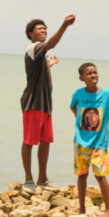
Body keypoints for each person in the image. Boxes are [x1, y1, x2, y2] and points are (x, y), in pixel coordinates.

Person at [20, 14, 76, 191]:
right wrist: (64, 25)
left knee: (45, 141)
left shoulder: (40, 56)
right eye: (39, 29)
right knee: (29, 141)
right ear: (31, 34)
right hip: (33, 103)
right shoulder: (34, 47)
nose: (44, 31)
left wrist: (49, 65)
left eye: (45, 28)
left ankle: (42, 179)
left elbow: (37, 73)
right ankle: (28, 179)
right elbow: (50, 44)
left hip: (45, 105)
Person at [69, 63, 109, 217]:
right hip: (80, 142)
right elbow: (73, 106)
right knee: (82, 175)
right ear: (81, 78)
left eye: (95, 72)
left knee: (101, 176)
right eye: (88, 73)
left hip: (99, 143)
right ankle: (81, 208)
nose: (93, 75)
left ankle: (108, 210)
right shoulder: (78, 94)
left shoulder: (107, 95)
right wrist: (79, 119)